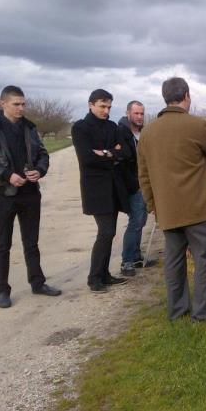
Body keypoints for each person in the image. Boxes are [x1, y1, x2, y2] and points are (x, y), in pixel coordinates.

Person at [138, 77, 206, 322]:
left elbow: (143, 175)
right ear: (186, 96)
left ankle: (178, 310)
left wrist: (152, 205)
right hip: (198, 208)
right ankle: (203, 312)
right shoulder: (195, 124)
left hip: (167, 209)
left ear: (165, 97)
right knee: (204, 259)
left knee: (174, 261)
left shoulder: (147, 132)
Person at [0, 85, 61, 308]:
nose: (21, 108)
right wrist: (7, 175)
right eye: (16, 104)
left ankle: (37, 283)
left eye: (23, 104)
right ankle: (2, 290)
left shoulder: (29, 127)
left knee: (31, 242)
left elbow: (43, 154)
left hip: (29, 194)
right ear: (3, 103)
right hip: (3, 195)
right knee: (2, 244)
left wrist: (40, 170)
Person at [72, 89, 131, 294]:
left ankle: (104, 274)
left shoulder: (113, 126)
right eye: (102, 106)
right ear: (91, 104)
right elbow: (87, 159)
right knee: (105, 231)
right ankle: (94, 277)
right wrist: (112, 155)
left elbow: (125, 151)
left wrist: (105, 153)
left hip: (113, 187)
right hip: (96, 189)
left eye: (109, 107)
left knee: (110, 232)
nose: (106, 110)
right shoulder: (80, 128)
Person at [117, 100, 154, 276]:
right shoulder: (121, 133)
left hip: (144, 184)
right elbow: (123, 162)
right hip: (132, 186)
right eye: (136, 113)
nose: (139, 117)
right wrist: (136, 185)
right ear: (128, 113)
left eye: (141, 113)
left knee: (141, 221)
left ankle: (136, 256)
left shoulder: (143, 133)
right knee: (135, 222)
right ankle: (126, 261)